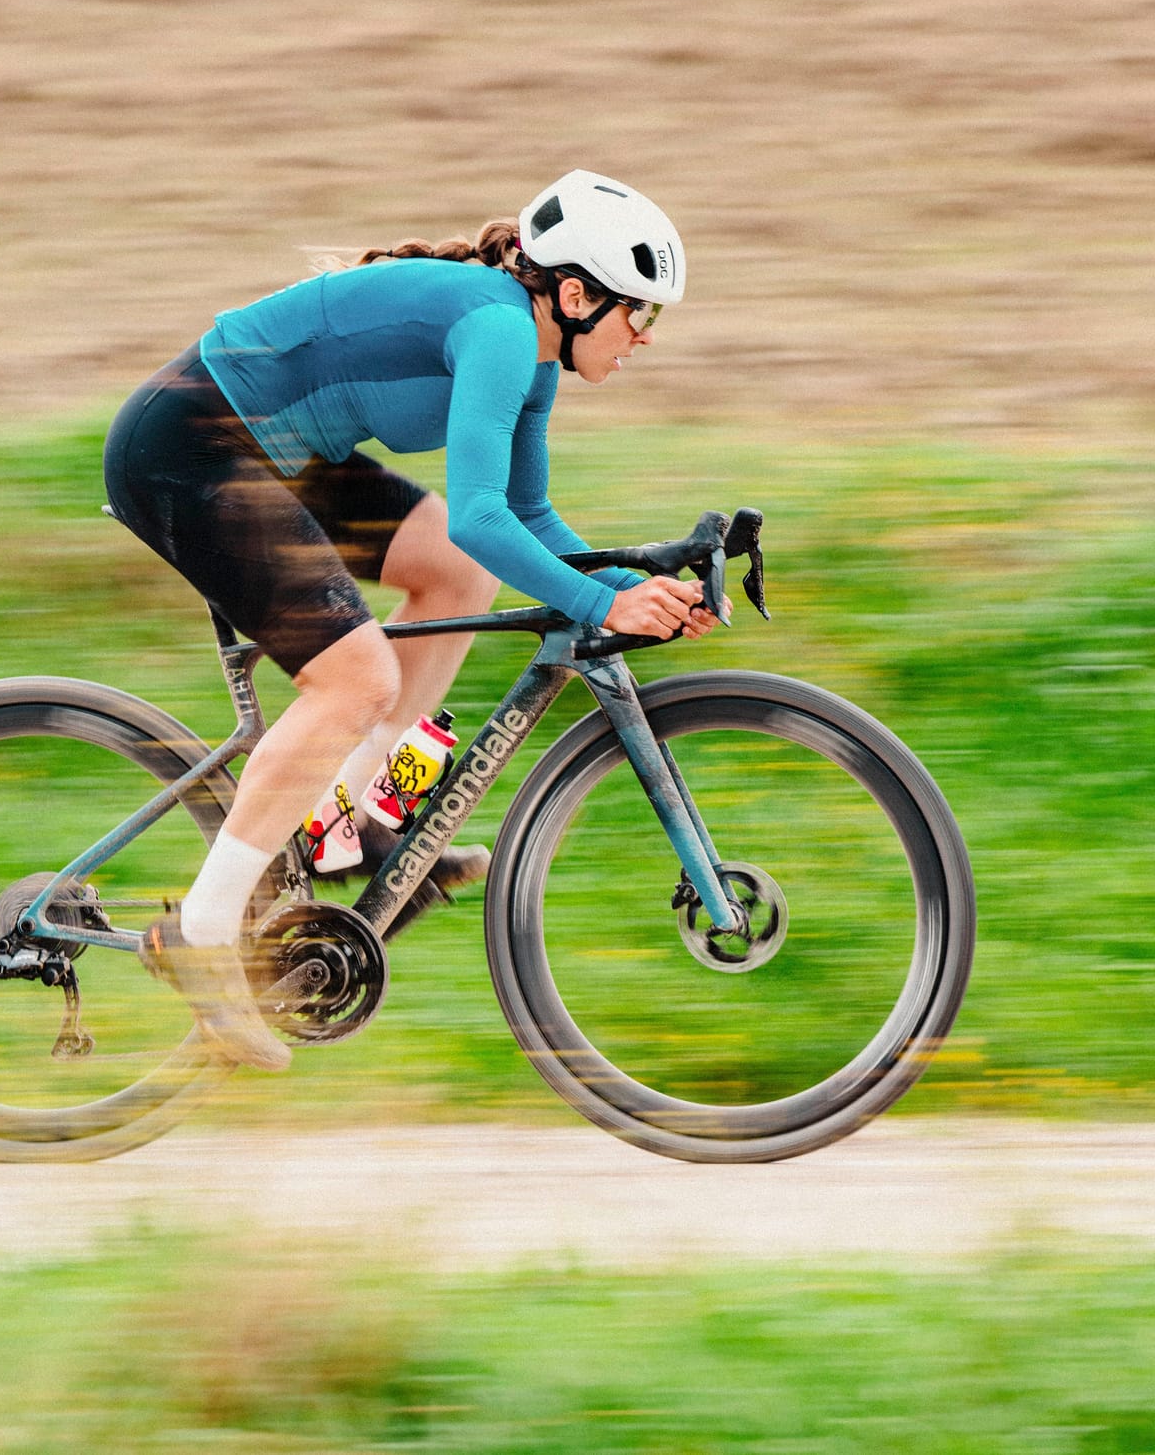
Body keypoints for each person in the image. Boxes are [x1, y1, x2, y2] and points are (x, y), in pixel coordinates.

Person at [102, 171, 727, 1071]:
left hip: (266, 444)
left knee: (456, 570)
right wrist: (603, 603)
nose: (645, 338)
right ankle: (202, 935)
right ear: (579, 294)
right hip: (191, 443)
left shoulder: (535, 352)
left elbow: (523, 519)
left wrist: (639, 577)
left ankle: (346, 819)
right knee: (356, 678)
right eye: (642, 314)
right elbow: (484, 510)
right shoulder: (502, 329)